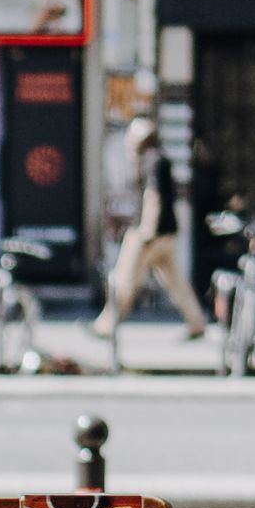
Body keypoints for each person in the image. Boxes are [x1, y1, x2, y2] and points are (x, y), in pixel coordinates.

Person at [89, 118, 208, 351]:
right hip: (167, 233)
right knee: (175, 281)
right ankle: (197, 323)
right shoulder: (161, 158)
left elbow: (153, 196)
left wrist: (147, 230)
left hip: (148, 232)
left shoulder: (150, 160)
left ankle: (106, 324)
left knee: (125, 276)